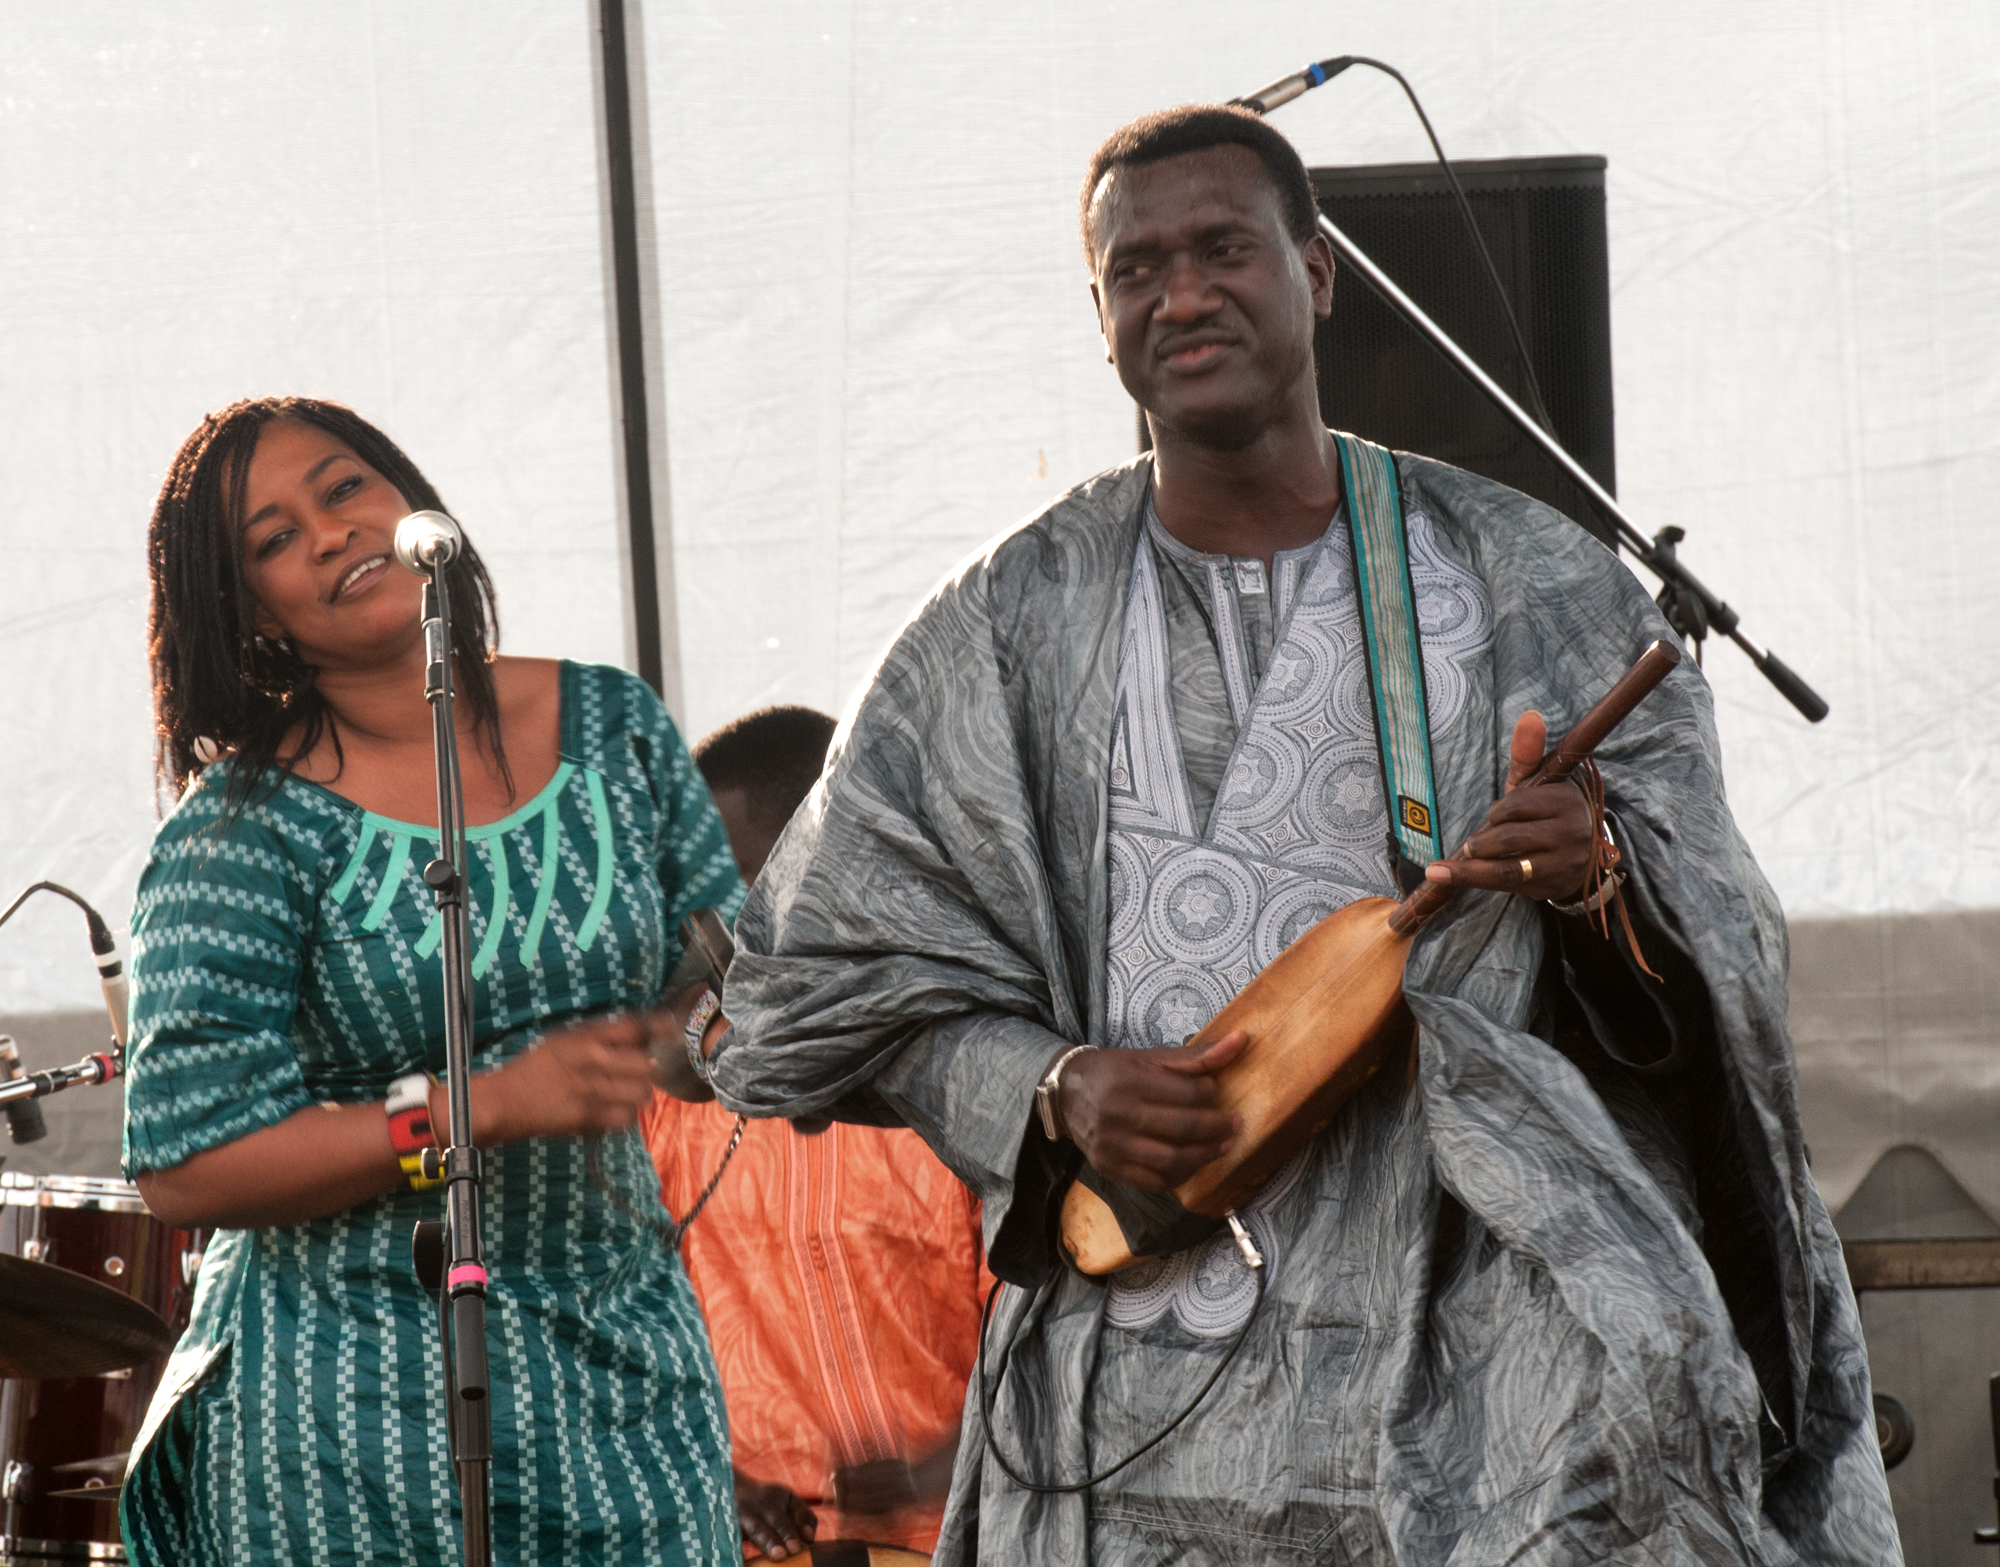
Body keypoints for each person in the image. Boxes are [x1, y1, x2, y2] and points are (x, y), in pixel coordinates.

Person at [695, 108, 1901, 1563]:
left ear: (1317, 274)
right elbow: (787, 1003)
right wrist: (1052, 1080)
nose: (1181, 292)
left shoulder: (1529, 584)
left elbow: (1723, 985)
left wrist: (1594, 879)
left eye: (1221, 249)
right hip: (1131, 1401)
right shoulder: (996, 633)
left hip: (1489, 1390)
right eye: (1136, 268)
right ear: (1098, 316)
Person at [119, 396, 743, 1564]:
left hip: (626, 1375)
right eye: (271, 538)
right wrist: (480, 1108)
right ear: (249, 614)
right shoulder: (240, 833)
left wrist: (708, 1038)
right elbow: (184, 1161)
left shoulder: (611, 722)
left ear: (412, 501)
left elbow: (724, 978)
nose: (327, 530)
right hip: (346, 1410)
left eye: (345, 486)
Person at [642, 706, 992, 1562]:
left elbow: (1048, 1337)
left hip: (958, 1537)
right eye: (706, 906)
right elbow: (610, 1337)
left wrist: (940, 1466)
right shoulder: (670, 1099)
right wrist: (703, 1476)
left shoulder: (964, 1065)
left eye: (750, 886)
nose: (725, 933)